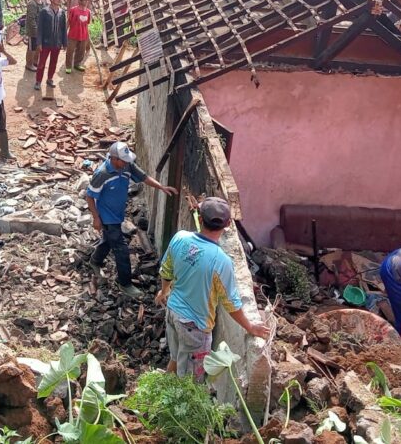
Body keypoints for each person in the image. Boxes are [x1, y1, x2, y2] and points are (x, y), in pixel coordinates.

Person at [156, 197, 271, 379]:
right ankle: (178, 404)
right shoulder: (221, 261)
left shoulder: (180, 238)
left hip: (173, 313)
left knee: (177, 358)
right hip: (194, 327)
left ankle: (161, 392)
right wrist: (250, 327)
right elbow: (231, 304)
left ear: (200, 220)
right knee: (192, 381)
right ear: (227, 225)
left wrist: (164, 291)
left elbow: (166, 270)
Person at [86, 142, 176, 299]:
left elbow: (143, 177)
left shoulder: (127, 166)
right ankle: (125, 284)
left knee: (108, 240)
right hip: (107, 216)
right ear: (114, 159)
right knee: (121, 250)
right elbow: (90, 196)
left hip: (117, 213)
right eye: (123, 160)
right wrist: (96, 218)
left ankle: (95, 260)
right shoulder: (102, 174)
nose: (127, 162)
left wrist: (161, 187)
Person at [35, 0, 66, 91]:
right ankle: (38, 81)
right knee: (42, 63)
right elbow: (39, 28)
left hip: (57, 42)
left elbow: (63, 29)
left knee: (54, 62)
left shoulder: (62, 12)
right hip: (45, 42)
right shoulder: (44, 11)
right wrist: (39, 42)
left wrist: (64, 42)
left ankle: (50, 79)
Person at [65, 0, 91, 74]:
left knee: (81, 51)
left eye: (87, 0)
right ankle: (68, 66)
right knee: (70, 51)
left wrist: (87, 36)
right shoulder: (73, 10)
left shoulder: (88, 12)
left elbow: (87, 24)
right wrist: (64, 32)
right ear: (79, 1)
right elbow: (68, 21)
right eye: (84, 0)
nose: (86, 2)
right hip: (73, 35)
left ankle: (77, 64)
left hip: (83, 35)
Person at [24, 0, 46, 72]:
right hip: (33, 30)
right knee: (31, 47)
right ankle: (29, 64)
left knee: (38, 47)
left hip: (41, 28)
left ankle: (35, 62)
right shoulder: (32, 3)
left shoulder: (42, 0)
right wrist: (35, 30)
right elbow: (31, 19)